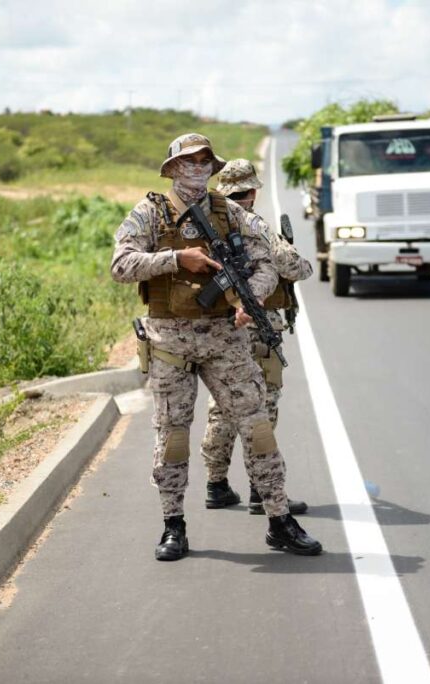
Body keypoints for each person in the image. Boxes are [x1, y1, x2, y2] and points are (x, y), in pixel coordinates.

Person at [110, 133, 323, 561]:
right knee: (172, 438)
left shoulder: (230, 213)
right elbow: (121, 266)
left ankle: (279, 520)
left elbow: (268, 261)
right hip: (170, 344)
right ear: (172, 168)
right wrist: (175, 260)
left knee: (258, 429)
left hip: (226, 341)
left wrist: (253, 297)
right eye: (189, 160)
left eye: (206, 160)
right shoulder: (150, 213)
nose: (199, 166)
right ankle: (174, 525)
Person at [200, 159, 313, 515]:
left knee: (221, 407)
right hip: (257, 329)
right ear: (251, 192)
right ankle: (259, 491)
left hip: (218, 329)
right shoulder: (256, 226)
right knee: (261, 409)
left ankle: (216, 485)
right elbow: (296, 268)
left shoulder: (206, 227)